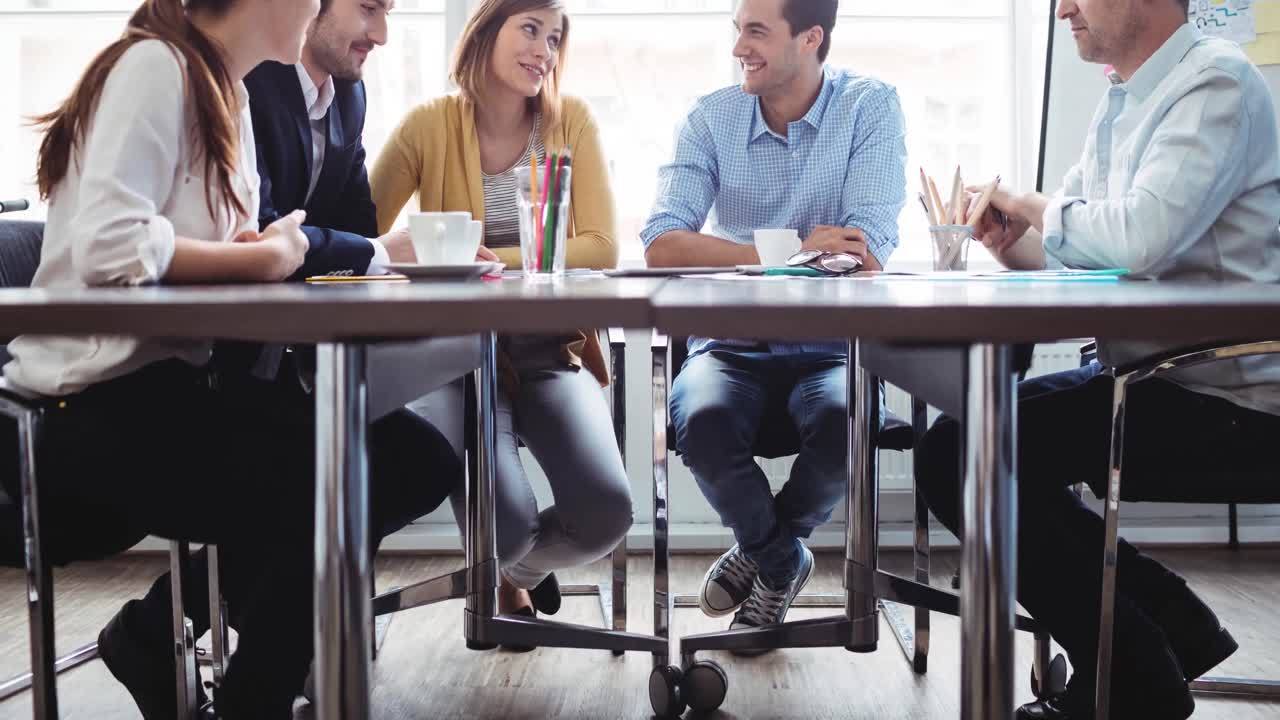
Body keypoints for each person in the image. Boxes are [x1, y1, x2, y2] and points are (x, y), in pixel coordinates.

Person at [5, 1, 458, 717]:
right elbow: (111, 246)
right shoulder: (156, 65)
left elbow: (240, 245)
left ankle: (233, 676)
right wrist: (275, 252)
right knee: (325, 482)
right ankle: (254, 693)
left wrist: (266, 252)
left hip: (171, 386)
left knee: (382, 464)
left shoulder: (227, 90)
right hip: (75, 408)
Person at [917, 1, 1280, 717]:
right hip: (1149, 379)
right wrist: (1009, 241)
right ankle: (1162, 632)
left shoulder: (1219, 85)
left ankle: (1141, 670)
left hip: (1226, 401)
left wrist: (1028, 200)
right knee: (962, 449)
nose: (1062, 10)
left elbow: (1137, 238)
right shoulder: (1124, 99)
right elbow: (1087, 249)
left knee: (965, 456)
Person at [639, 0, 906, 648]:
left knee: (848, 418)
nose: (739, 48)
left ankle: (759, 551)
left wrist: (754, 253)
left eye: (756, 31)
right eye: (738, 30)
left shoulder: (869, 107)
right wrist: (787, 251)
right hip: (729, 345)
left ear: (811, 38)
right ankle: (784, 559)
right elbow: (663, 243)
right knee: (699, 420)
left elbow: (865, 248)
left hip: (831, 350)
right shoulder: (712, 118)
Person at [369, 0, 632, 641]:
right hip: (456, 359)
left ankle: (509, 573)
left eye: (555, 37)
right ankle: (507, 564)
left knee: (606, 514)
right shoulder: (427, 126)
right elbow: (358, 238)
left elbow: (600, 246)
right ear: (486, 30)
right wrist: (429, 252)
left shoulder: (571, 122)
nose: (544, 49)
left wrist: (474, 257)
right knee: (507, 529)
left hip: (551, 351)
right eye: (530, 30)